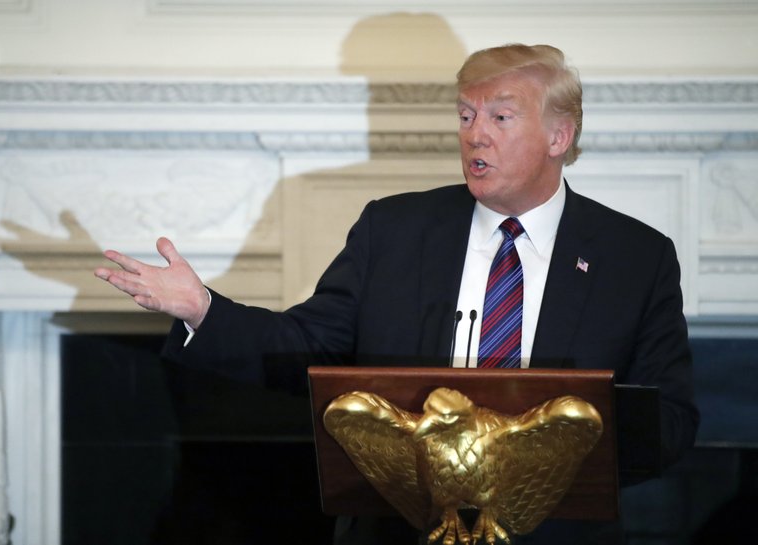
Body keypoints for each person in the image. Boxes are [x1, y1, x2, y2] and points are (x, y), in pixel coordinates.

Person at [95, 44, 698, 544]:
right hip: (394, 531)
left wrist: (569, 440)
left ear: (558, 136)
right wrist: (203, 308)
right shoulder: (395, 230)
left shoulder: (635, 257)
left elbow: (670, 420)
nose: (475, 136)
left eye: (500, 118)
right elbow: (308, 347)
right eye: (465, 116)